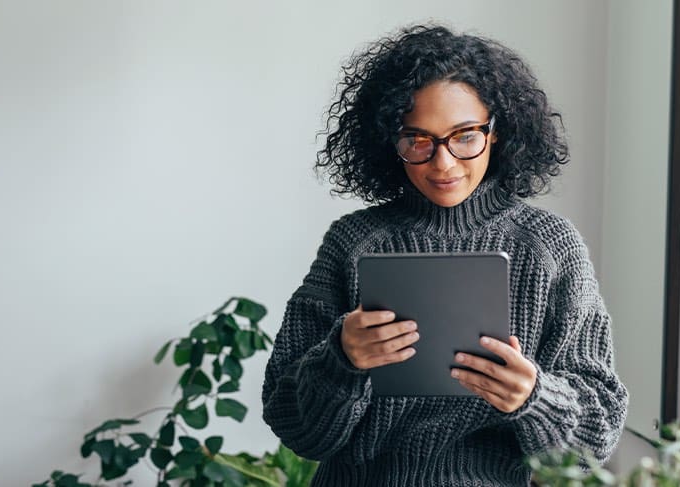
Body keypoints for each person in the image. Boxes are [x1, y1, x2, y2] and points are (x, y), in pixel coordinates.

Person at [261, 24, 628, 486]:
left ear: (497, 131)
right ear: (388, 141)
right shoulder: (352, 243)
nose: (444, 163)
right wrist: (342, 359)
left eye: (464, 136)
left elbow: (598, 433)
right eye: (418, 140)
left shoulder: (550, 246)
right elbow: (294, 424)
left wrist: (535, 396)